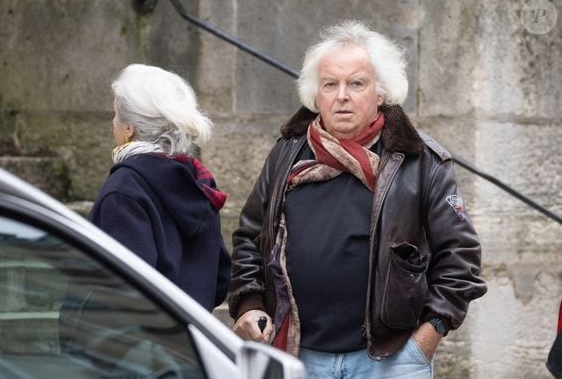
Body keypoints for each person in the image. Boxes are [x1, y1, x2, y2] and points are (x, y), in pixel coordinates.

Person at [228, 20, 487, 378]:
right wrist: (248, 304)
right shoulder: (286, 153)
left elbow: (461, 258)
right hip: (298, 354)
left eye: (357, 83)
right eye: (330, 84)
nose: (342, 96)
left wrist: (428, 336)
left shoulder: (418, 160)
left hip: (390, 359)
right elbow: (250, 238)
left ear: (381, 93)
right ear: (315, 94)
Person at [89, 63, 230, 311]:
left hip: (142, 346)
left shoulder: (123, 190)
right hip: (191, 339)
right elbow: (220, 278)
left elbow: (124, 294)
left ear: (129, 128)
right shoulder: (197, 181)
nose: (113, 123)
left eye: (115, 115)